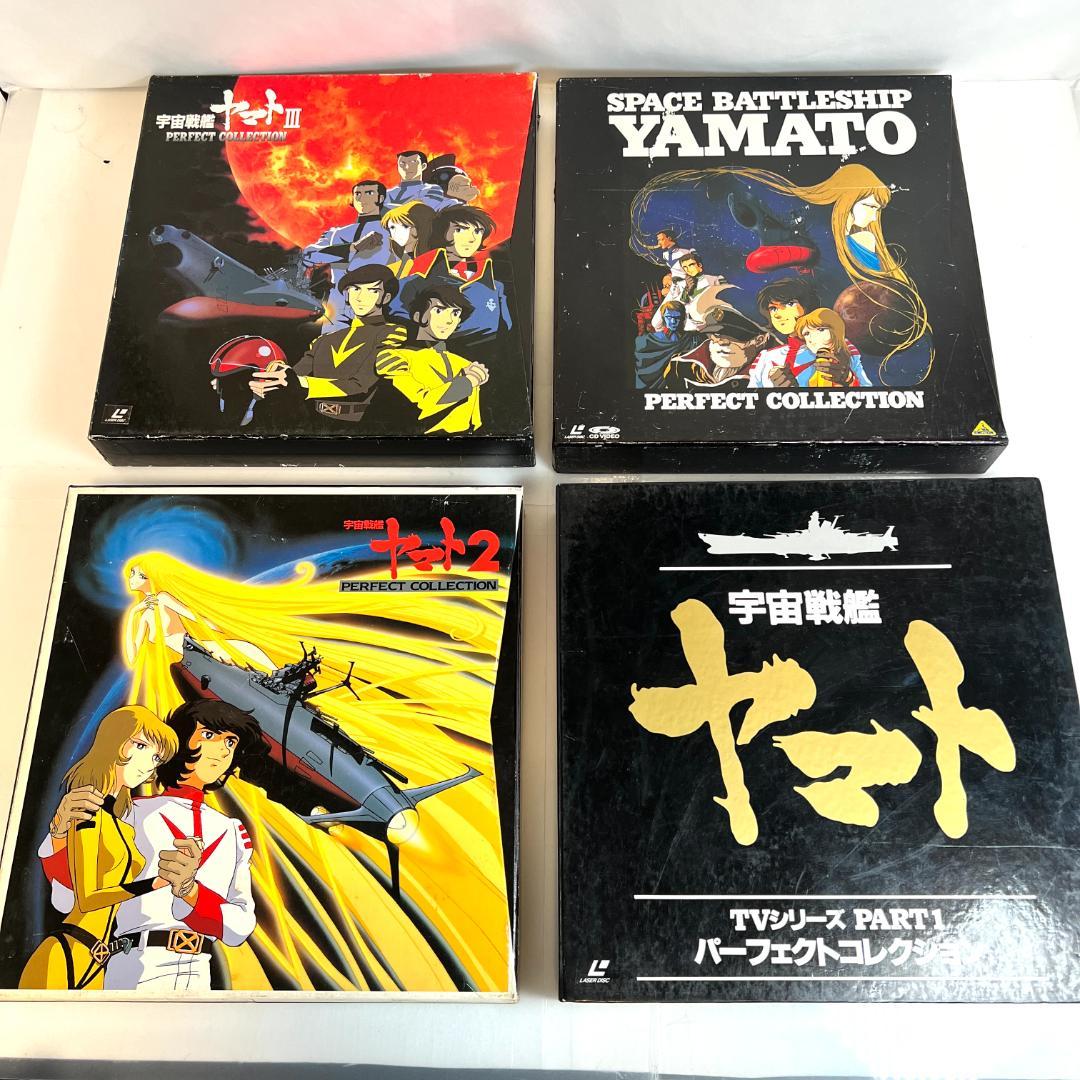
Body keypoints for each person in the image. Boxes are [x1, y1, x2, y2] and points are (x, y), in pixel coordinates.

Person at [41, 700, 266, 991]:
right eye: (209, 735)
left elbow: (240, 927)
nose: (223, 749)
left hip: (199, 973)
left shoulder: (233, 832)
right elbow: (67, 899)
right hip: (135, 965)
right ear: (180, 741)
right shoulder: (129, 813)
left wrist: (191, 893)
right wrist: (59, 834)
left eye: (231, 742)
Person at [21, 706, 178, 990]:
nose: (148, 763)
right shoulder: (87, 812)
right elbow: (87, 898)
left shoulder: (124, 826)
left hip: (98, 958)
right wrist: (153, 884)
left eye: (156, 757)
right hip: (66, 952)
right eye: (141, 746)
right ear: (114, 742)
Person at [249, 265, 408, 425]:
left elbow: (360, 384)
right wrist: (271, 383)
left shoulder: (390, 332)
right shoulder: (325, 340)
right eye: (355, 289)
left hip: (360, 424)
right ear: (347, 295)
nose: (361, 297)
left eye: (372, 291)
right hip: (313, 420)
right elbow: (294, 375)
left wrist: (297, 382)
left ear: (385, 298)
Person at [375, 284, 488, 433]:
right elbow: (417, 407)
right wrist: (466, 383)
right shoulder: (393, 357)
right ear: (418, 316)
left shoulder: (465, 364)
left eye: (455, 313)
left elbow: (475, 420)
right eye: (439, 311)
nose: (449, 320)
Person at [405, 206, 510, 342]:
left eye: (477, 231)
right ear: (442, 232)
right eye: (459, 230)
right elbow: (400, 313)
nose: (471, 238)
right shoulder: (422, 274)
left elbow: (506, 327)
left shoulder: (494, 285)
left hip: (487, 349)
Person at [302, 179, 392, 333]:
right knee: (330, 344)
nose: (362, 198)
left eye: (369, 193)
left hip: (372, 299)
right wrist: (351, 248)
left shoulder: (391, 230)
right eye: (357, 194)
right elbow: (309, 255)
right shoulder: (336, 233)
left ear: (381, 198)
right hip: (338, 302)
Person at [747, 279, 869, 388]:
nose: (778, 315)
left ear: (807, 305)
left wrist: (848, 380)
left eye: (790, 304)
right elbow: (751, 399)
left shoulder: (839, 345)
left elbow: (870, 391)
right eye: (773, 308)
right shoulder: (765, 358)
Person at [668, 306, 770, 389]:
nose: (721, 342)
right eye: (716, 335)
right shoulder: (680, 365)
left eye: (733, 336)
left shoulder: (768, 372)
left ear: (760, 340)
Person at [651, 251, 729, 332]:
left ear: (699, 265)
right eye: (685, 267)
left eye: (691, 265)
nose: (688, 269)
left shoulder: (714, 280)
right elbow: (676, 304)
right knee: (656, 323)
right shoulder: (681, 283)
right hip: (684, 316)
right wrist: (686, 291)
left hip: (703, 317)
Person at [794, 307, 871, 387]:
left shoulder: (851, 356)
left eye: (821, 329)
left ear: (836, 331)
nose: (813, 338)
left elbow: (866, 386)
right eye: (806, 333)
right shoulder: (801, 358)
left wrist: (848, 379)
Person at [634, 301, 699, 390]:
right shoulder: (648, 340)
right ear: (663, 318)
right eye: (669, 317)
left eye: (677, 318)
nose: (673, 321)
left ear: (682, 318)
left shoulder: (690, 338)